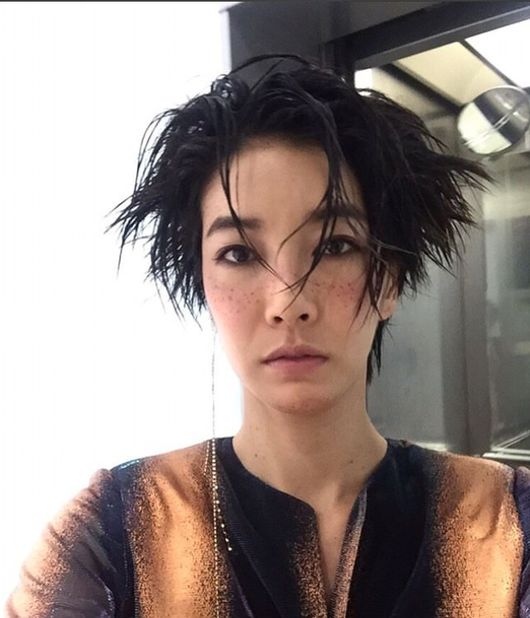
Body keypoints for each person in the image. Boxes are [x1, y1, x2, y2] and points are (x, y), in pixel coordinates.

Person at [5, 52, 530, 618]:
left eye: (334, 246)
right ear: (204, 283)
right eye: (238, 254)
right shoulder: (112, 533)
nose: (288, 303)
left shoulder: (508, 522)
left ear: (388, 281)